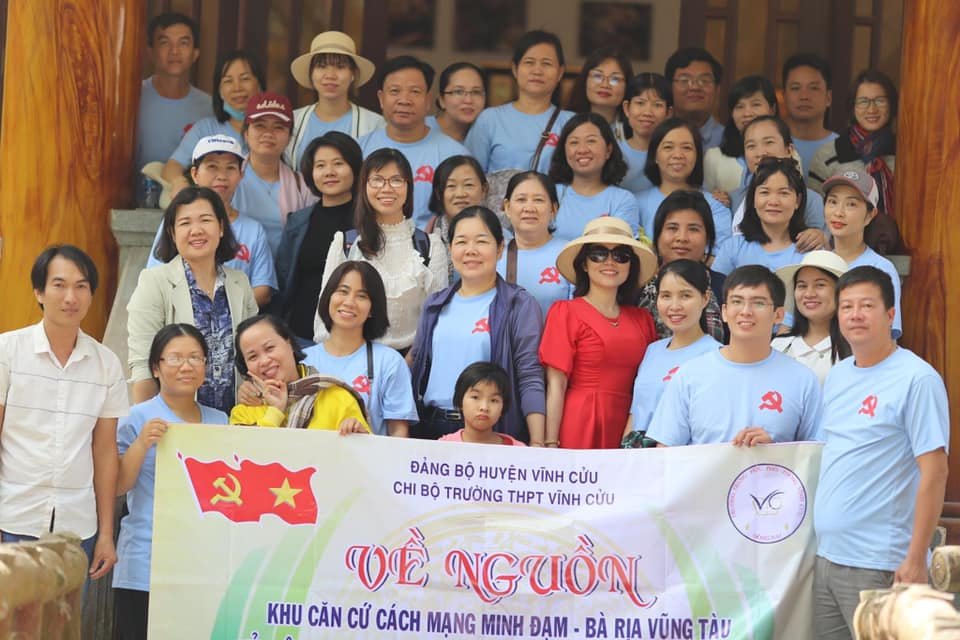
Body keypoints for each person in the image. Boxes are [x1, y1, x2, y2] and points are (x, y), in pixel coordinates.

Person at [813, 266, 949, 639]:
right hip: (827, 558)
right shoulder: (838, 375)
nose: (855, 315)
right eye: (847, 306)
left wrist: (915, 558)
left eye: (867, 305)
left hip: (882, 564)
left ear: (890, 314)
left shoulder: (917, 379)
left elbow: (935, 471)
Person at [0, 246, 128, 578]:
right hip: (12, 519)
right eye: (59, 285)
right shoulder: (7, 352)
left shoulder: (106, 364)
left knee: (67, 613)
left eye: (81, 286)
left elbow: (104, 451)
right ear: (39, 292)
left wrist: (106, 534)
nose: (71, 297)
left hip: (77, 527)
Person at [113, 325, 227, 640]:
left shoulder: (221, 421)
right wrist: (141, 444)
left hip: (202, 566)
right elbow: (118, 486)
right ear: (156, 367)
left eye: (195, 357)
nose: (186, 366)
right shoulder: (136, 417)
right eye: (175, 358)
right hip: (145, 562)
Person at [410, 207, 545, 443]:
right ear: (450, 249)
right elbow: (416, 361)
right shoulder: (435, 304)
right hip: (432, 427)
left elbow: (529, 375)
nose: (470, 250)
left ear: (500, 248)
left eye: (481, 241)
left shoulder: (518, 304)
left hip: (490, 430)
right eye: (461, 242)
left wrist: (537, 442)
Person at [646, 264, 821, 446]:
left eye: (758, 303)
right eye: (737, 302)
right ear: (724, 312)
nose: (745, 311)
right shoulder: (690, 375)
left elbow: (816, 453)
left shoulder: (802, 379)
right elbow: (665, 450)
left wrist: (774, 451)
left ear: (778, 315)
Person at [128, 186, 259, 414]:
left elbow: (252, 357)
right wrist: (147, 424)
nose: (196, 230)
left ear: (221, 227)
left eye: (205, 220)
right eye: (185, 223)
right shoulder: (154, 282)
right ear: (172, 233)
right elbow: (143, 365)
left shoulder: (240, 283)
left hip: (236, 420)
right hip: (176, 421)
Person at [540, 217, 658, 449]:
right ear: (584, 263)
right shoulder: (565, 312)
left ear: (630, 265)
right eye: (598, 254)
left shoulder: (643, 319)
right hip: (580, 421)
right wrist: (551, 443)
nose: (610, 262)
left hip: (629, 425)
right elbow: (556, 385)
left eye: (621, 255)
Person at [317, 148, 448, 351]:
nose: (386, 188)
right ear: (364, 186)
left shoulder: (430, 245)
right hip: (354, 355)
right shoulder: (346, 242)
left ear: (408, 187)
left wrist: (412, 358)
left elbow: (437, 315)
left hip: (411, 357)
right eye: (377, 180)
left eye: (396, 180)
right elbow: (324, 312)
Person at [147, 135, 276, 307]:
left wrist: (222, 312)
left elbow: (263, 289)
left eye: (230, 168)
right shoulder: (177, 222)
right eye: (212, 167)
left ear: (241, 174)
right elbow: (155, 277)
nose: (221, 176)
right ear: (195, 174)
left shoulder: (253, 230)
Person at [304, 262, 418, 436]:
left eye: (362, 296)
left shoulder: (389, 362)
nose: (349, 302)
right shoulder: (303, 360)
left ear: (372, 308)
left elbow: (398, 432)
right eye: (343, 291)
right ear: (328, 297)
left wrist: (365, 438)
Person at [357, 56, 470, 229]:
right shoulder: (360, 149)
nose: (404, 100)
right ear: (381, 98)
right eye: (395, 91)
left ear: (428, 100)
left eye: (415, 91)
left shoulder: (456, 155)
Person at [274, 132, 363, 341]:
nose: (329, 172)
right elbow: (283, 279)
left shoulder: (368, 221)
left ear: (355, 168)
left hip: (353, 335)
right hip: (301, 335)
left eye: (338, 164)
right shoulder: (297, 222)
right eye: (320, 165)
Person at [624, 259, 720, 445]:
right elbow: (635, 413)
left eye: (685, 296)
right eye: (666, 296)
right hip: (637, 454)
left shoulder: (715, 355)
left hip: (678, 454)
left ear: (705, 298)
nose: (674, 306)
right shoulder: (653, 350)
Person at [808, 70, 899, 252]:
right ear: (852, 107)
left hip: (900, 250)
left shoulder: (905, 153)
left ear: (892, 105)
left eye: (880, 101)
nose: (872, 109)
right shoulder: (829, 153)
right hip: (840, 251)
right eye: (863, 101)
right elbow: (814, 212)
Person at [231, 314, 370, 432]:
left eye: (269, 348)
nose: (264, 361)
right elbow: (247, 453)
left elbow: (367, 452)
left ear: (289, 343)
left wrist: (358, 436)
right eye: (253, 357)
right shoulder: (243, 413)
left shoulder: (337, 397)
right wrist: (275, 412)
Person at [465, 30, 575, 175]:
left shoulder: (571, 123)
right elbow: (469, 176)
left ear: (560, 73)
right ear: (515, 69)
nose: (537, 70)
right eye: (529, 62)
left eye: (546, 63)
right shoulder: (490, 120)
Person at [161, 50, 266, 192]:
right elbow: (172, 167)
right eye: (228, 81)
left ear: (259, 85)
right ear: (220, 91)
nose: (237, 88)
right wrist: (179, 183)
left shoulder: (273, 129)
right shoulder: (205, 129)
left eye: (245, 79)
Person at [135, 12, 212, 205]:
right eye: (164, 43)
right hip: (135, 206)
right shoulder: (133, 99)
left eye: (183, 43)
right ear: (150, 52)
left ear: (195, 53)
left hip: (190, 207)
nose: (174, 51)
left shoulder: (209, 108)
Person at [821, 169, 903, 337]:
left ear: (870, 215)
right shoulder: (816, 262)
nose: (838, 212)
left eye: (851, 204)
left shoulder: (881, 268)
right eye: (833, 201)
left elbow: (888, 337)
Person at [635, 189, 726, 341]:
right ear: (657, 234)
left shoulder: (724, 288)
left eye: (693, 229)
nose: (682, 238)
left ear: (708, 237)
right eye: (672, 228)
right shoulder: (635, 286)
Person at [232, 92, 316, 254]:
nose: (268, 133)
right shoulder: (230, 179)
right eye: (260, 125)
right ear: (246, 133)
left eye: (278, 127)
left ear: (289, 137)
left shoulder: (303, 187)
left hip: (284, 269)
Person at [286, 31, 384, 167]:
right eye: (321, 66)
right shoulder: (292, 121)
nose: (330, 75)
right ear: (311, 73)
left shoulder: (374, 125)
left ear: (353, 74)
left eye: (340, 67)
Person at [730, 115, 826, 243]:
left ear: (789, 150)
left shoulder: (812, 200)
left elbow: (820, 245)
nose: (760, 153)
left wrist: (819, 236)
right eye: (751, 146)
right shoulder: (732, 199)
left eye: (769, 142)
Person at [635, 118, 732, 243]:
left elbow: (721, 251)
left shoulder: (715, 206)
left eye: (686, 148)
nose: (678, 155)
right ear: (655, 155)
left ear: (697, 156)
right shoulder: (635, 203)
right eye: (668, 147)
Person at [712, 157, 810, 276]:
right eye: (765, 192)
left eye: (784, 193)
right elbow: (714, 287)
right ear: (753, 198)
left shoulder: (810, 249)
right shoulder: (734, 247)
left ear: (797, 201)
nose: (773, 202)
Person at [549, 113, 638, 240]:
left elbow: (620, 247)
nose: (582, 150)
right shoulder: (551, 194)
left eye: (591, 141)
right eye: (574, 142)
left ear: (608, 150)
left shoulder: (622, 200)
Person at [495, 171, 571, 316]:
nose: (529, 208)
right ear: (507, 207)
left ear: (553, 209)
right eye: (521, 199)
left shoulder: (570, 253)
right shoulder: (494, 254)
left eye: (538, 200)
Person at [772, 250, 850, 384]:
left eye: (820, 285)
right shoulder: (779, 346)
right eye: (802, 286)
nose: (809, 294)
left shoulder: (857, 347)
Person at [703, 75, 778, 204]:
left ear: (772, 109)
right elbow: (706, 203)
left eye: (756, 104)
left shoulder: (788, 154)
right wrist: (715, 200)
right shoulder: (714, 157)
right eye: (739, 106)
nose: (747, 113)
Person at [425, 155, 489, 281]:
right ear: (439, 193)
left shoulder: (500, 237)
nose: (460, 194)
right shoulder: (424, 240)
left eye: (469, 185)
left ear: (484, 190)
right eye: (451, 186)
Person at [439, 362, 526, 446]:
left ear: (503, 407)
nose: (484, 407)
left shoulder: (518, 450)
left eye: (494, 400)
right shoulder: (442, 446)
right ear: (460, 400)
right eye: (475, 397)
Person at [782, 53, 838, 177]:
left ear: (828, 98)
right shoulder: (770, 144)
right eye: (795, 88)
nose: (804, 96)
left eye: (814, 88)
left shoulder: (842, 149)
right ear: (784, 97)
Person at [618, 72, 673, 195]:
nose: (647, 112)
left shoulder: (676, 154)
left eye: (657, 105)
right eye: (640, 103)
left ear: (668, 113)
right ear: (627, 108)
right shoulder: (614, 152)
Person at [566, 47, 633, 141]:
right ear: (585, 80)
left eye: (615, 79)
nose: (605, 85)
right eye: (597, 76)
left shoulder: (635, 131)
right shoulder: (564, 122)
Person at [663, 47, 724, 150]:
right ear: (669, 87)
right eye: (684, 80)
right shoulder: (655, 136)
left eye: (704, 81)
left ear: (717, 89)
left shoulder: (731, 141)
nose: (695, 87)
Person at [430, 62, 487, 142]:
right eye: (458, 92)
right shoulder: (419, 129)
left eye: (476, 92)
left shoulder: (487, 136)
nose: (468, 100)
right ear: (441, 100)